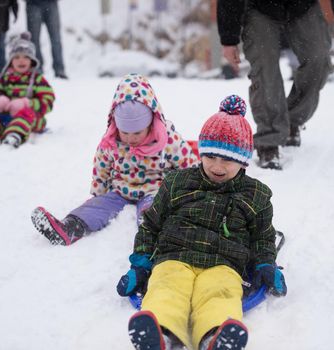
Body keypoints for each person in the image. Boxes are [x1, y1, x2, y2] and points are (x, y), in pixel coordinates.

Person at [116, 95, 287, 350]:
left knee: (220, 293)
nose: (217, 166)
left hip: (224, 263)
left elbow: (263, 236)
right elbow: (151, 225)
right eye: (210, 157)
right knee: (166, 287)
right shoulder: (177, 183)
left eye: (227, 159)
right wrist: (140, 263)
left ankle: (214, 336)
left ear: (242, 160)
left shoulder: (256, 195)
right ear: (202, 153)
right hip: (174, 256)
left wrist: (265, 264)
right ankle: (162, 334)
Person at [30, 73, 199, 246]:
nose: (131, 138)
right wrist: (99, 194)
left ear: (150, 123)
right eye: (124, 132)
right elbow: (101, 169)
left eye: (137, 133)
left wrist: (190, 194)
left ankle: (154, 233)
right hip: (120, 190)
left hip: (154, 189)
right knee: (96, 207)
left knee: (154, 209)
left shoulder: (167, 140)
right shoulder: (111, 141)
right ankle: (69, 228)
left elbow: (189, 164)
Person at [217, 0, 334, 169]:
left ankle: (292, 120)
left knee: (318, 61)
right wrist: (229, 38)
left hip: (303, 6)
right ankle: (269, 138)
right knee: (265, 68)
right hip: (259, 7)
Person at [26, 0, 67, 79]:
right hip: (33, 4)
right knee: (33, 39)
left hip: (51, 3)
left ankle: (59, 69)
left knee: (56, 39)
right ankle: (37, 67)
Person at [0, 0, 18, 77]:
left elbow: (13, 2)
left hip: (1, 19)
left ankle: (2, 71)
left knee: (0, 47)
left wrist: (15, 13)